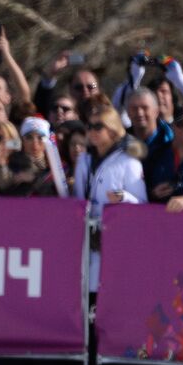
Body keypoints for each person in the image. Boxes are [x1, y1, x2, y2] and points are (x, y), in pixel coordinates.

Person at [74, 98, 145, 291]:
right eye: (89, 126)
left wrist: (124, 198)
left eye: (98, 127)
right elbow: (78, 197)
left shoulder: (128, 162)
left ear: (112, 130)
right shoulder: (84, 160)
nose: (91, 131)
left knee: (105, 287)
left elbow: (142, 203)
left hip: (113, 236)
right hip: (84, 234)